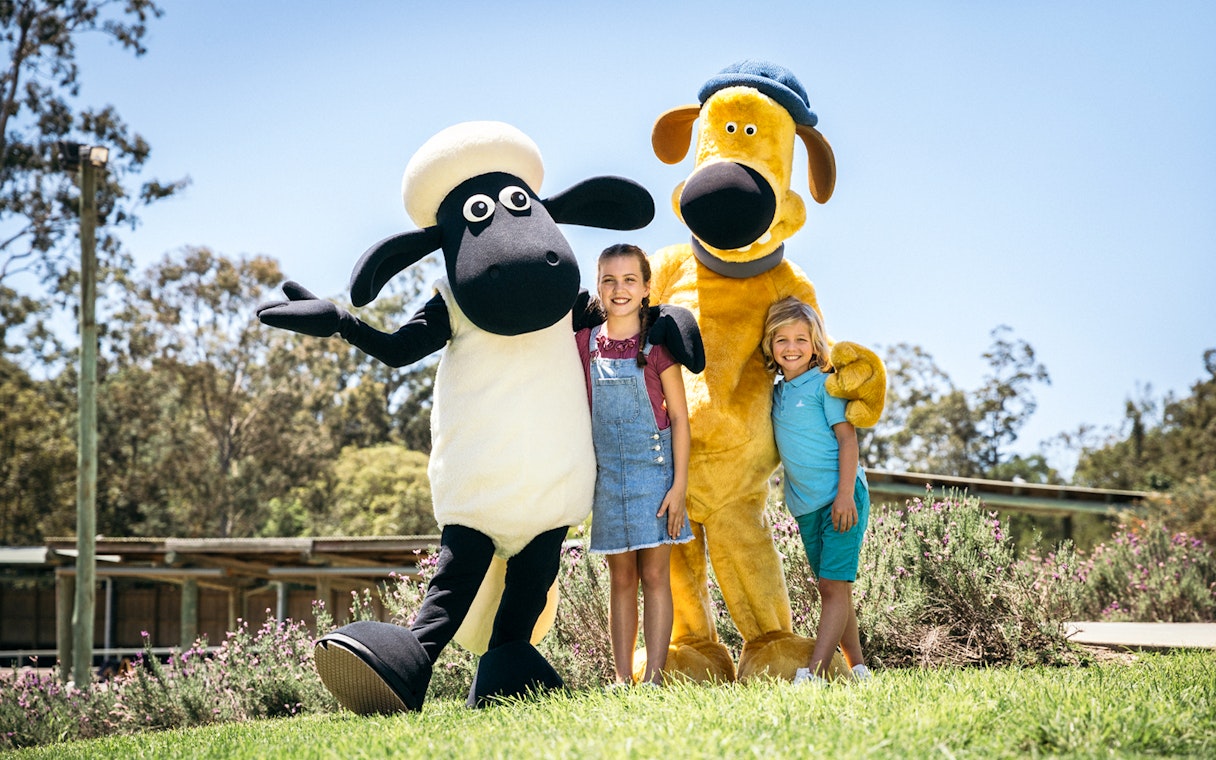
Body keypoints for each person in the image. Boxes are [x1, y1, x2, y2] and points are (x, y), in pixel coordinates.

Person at [576, 243, 694, 686]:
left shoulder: (658, 345)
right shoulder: (583, 344)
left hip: (657, 473)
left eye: (629, 280)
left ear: (646, 288)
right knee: (621, 578)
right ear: (599, 287)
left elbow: (680, 419)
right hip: (607, 477)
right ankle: (621, 678)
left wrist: (678, 486)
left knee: (655, 575)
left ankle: (655, 678)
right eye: (609, 280)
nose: (619, 288)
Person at [761, 296, 873, 684]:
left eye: (801, 340)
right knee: (834, 588)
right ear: (770, 345)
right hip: (806, 507)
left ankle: (814, 673)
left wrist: (844, 495)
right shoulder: (775, 393)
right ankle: (858, 669)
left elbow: (848, 441)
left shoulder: (825, 386)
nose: (791, 348)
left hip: (842, 498)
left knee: (831, 586)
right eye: (782, 340)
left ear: (815, 344)